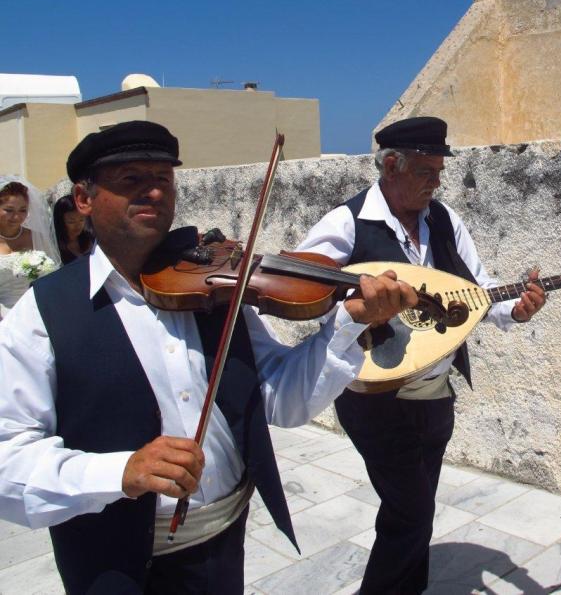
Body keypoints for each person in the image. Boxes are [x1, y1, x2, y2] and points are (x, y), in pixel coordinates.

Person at [0, 120, 417, 594]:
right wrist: (121, 471)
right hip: (113, 561)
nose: (154, 193)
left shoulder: (218, 292)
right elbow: (8, 458)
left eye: (163, 179)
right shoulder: (44, 310)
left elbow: (281, 399)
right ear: (84, 199)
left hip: (222, 545)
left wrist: (350, 322)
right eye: (132, 180)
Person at [296, 116, 546, 594]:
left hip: (435, 393)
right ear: (391, 165)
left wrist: (516, 309)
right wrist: (357, 305)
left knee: (414, 509)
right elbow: (307, 288)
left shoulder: (446, 220)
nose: (436, 182)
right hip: (375, 397)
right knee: (410, 513)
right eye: (425, 172)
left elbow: (478, 291)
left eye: (439, 172)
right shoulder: (347, 222)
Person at [0, 176, 59, 317]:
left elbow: (53, 273)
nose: (16, 217)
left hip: (36, 309)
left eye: (22, 210)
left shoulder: (36, 237)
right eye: (9, 210)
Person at [53, 193, 95, 264]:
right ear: (61, 222)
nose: (78, 225)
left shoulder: (91, 238)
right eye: (71, 222)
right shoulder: (55, 247)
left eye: (81, 220)